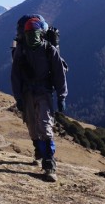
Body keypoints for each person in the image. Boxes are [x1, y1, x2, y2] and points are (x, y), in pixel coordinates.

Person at [10, 14, 68, 182]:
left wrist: (61, 95)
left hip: (43, 92)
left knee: (44, 125)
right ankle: (39, 151)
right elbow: (16, 75)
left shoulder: (49, 50)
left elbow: (59, 74)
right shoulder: (22, 51)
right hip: (29, 92)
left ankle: (49, 163)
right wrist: (18, 97)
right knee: (32, 125)